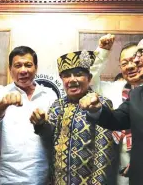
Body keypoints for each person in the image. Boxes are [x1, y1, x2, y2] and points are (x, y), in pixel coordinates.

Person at [82, 34, 143, 185]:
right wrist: (97, 110)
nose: (133, 64)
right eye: (125, 63)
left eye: (137, 57)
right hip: (121, 168)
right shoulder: (134, 93)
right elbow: (117, 118)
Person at [30, 50, 115, 185]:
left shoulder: (101, 104)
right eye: (66, 75)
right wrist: (40, 123)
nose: (72, 80)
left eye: (78, 74)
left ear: (89, 77)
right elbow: (48, 136)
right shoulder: (57, 105)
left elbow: (104, 154)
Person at [0, 46, 57, 184]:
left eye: (28, 65)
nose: (23, 70)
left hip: (42, 174)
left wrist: (43, 122)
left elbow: (56, 133)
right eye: (18, 65)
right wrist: (4, 103)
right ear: (10, 69)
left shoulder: (49, 95)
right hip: (7, 175)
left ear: (36, 67)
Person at [90, 35, 143, 185]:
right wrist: (102, 52)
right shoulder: (112, 90)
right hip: (118, 169)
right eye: (124, 63)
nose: (130, 66)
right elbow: (89, 79)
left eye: (135, 60)